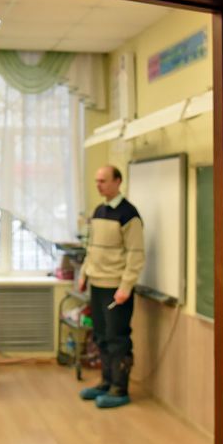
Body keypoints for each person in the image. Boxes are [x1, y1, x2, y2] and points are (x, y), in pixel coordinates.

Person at [76, 165, 145, 409]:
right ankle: (106, 382)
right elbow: (92, 247)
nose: (99, 185)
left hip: (116, 287)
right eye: (97, 181)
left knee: (117, 338)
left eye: (103, 181)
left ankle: (119, 388)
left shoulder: (129, 215)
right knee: (101, 336)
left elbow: (136, 254)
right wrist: (84, 274)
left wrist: (126, 286)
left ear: (117, 181)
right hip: (96, 283)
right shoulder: (99, 211)